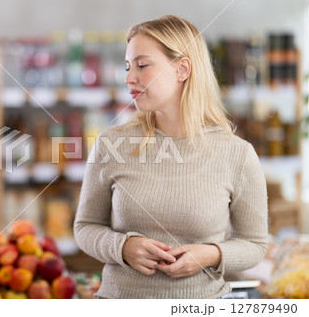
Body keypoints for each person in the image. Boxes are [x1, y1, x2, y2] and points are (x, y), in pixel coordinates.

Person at [73, 15, 268, 299]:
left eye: (142, 65)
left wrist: (212, 254)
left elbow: (255, 244)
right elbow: (85, 228)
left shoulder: (237, 154)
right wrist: (123, 248)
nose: (129, 78)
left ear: (182, 69)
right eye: (128, 67)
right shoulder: (112, 144)